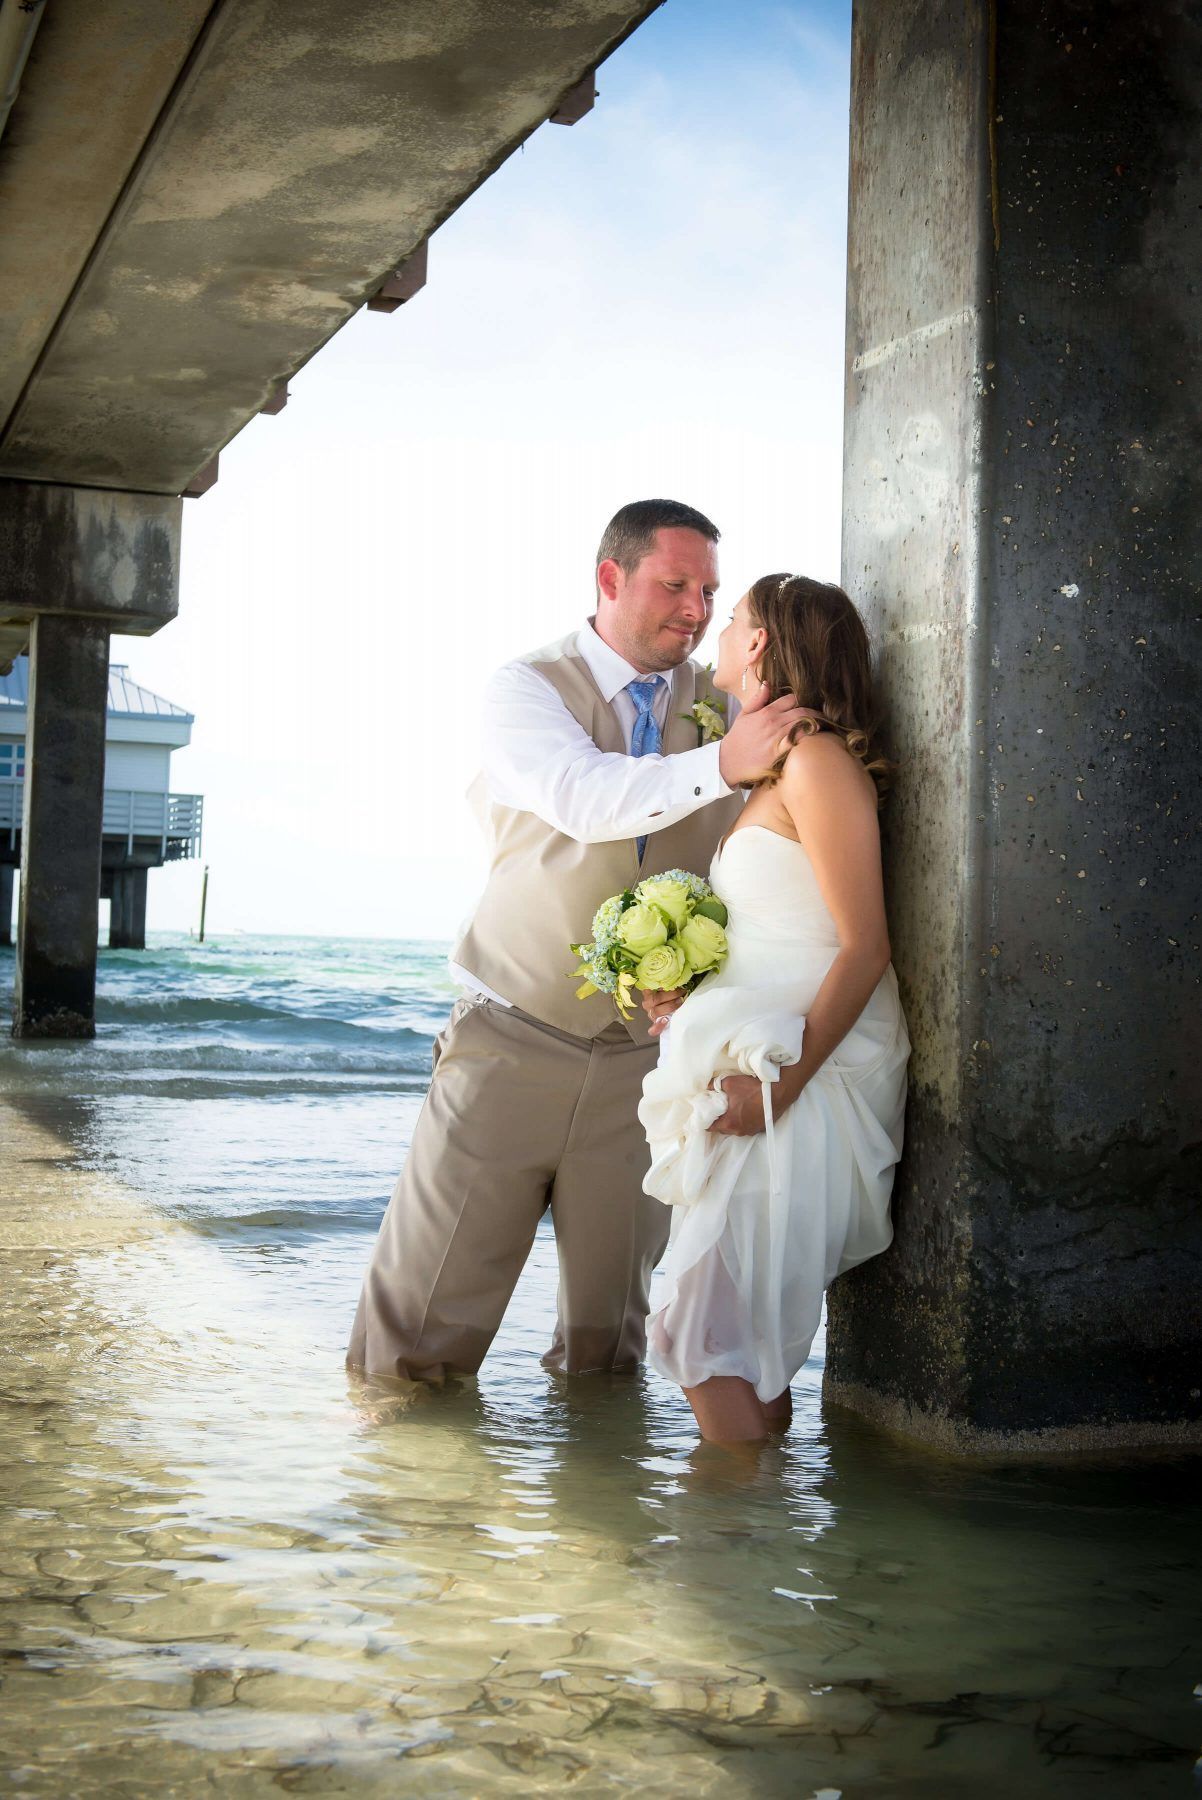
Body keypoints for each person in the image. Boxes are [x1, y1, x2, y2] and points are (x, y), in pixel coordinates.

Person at [347, 502, 810, 1382]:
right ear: (610, 578)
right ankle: (402, 1503)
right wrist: (721, 762)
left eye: (709, 591)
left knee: (611, 1349)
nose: (696, 609)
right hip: (510, 1038)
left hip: (651, 1063)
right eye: (675, 585)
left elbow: (765, 863)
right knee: (415, 1337)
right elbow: (581, 796)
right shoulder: (524, 689)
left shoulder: (724, 705)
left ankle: (597, 1508)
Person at [637, 574, 910, 1443]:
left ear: (758, 645)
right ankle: (758, 1538)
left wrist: (783, 1087)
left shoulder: (817, 760)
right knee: (733, 1342)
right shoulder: (773, 767)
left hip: (798, 1078)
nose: (717, 630)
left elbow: (866, 945)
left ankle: (723, 1545)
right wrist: (686, 993)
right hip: (752, 1064)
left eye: (732, 618)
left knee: (699, 1330)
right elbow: (778, 927)